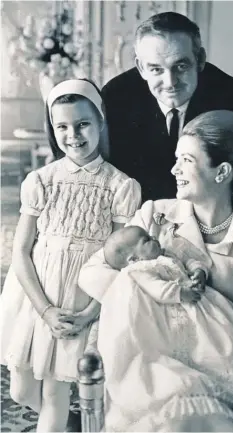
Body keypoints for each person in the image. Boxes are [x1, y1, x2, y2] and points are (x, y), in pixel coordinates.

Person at [81, 123, 233, 432]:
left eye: (186, 161)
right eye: (177, 158)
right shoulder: (155, 214)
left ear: (222, 172)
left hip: (222, 367)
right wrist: (151, 295)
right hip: (154, 362)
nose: (174, 169)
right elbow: (92, 272)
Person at [0, 79, 141, 432]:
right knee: (21, 390)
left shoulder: (120, 186)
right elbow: (19, 251)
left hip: (84, 299)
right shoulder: (41, 180)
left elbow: (122, 260)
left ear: (100, 123)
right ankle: (72, 424)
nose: (73, 135)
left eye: (82, 125)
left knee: (54, 394)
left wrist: (91, 313)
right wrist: (44, 309)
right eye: (62, 126)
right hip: (38, 296)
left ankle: (59, 421)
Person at [101, 11, 233, 202]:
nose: (170, 82)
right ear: (141, 68)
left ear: (200, 60)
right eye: (156, 69)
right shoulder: (115, 98)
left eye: (181, 66)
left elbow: (230, 181)